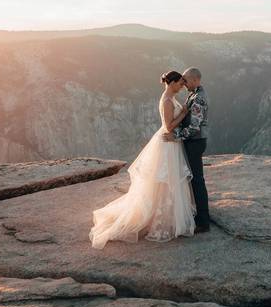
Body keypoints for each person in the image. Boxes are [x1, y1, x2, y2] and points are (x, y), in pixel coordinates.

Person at [88, 70, 197, 249]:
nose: (182, 86)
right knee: (165, 180)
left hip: (170, 143)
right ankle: (162, 217)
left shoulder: (169, 97)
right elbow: (168, 126)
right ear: (171, 83)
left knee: (167, 180)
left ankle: (168, 215)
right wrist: (184, 113)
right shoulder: (167, 100)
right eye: (180, 83)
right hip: (167, 142)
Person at [162, 67, 210, 232]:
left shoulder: (198, 99)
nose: (184, 84)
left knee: (197, 180)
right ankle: (199, 215)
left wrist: (176, 136)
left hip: (195, 142)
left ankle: (203, 222)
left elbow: (195, 127)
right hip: (192, 141)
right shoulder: (194, 94)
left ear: (195, 80)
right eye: (182, 80)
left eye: (186, 81)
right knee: (193, 179)